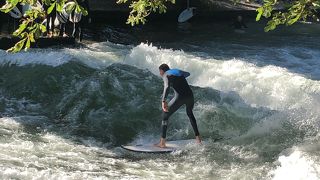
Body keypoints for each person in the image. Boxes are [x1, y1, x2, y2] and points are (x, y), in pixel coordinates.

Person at [155, 64, 201, 148]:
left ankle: (162, 143)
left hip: (180, 97)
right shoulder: (176, 71)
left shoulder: (166, 74)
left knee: (165, 115)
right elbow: (188, 74)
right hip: (190, 96)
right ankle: (198, 139)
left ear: (162, 71)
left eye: (160, 72)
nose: (160, 74)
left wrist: (163, 101)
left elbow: (167, 86)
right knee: (190, 114)